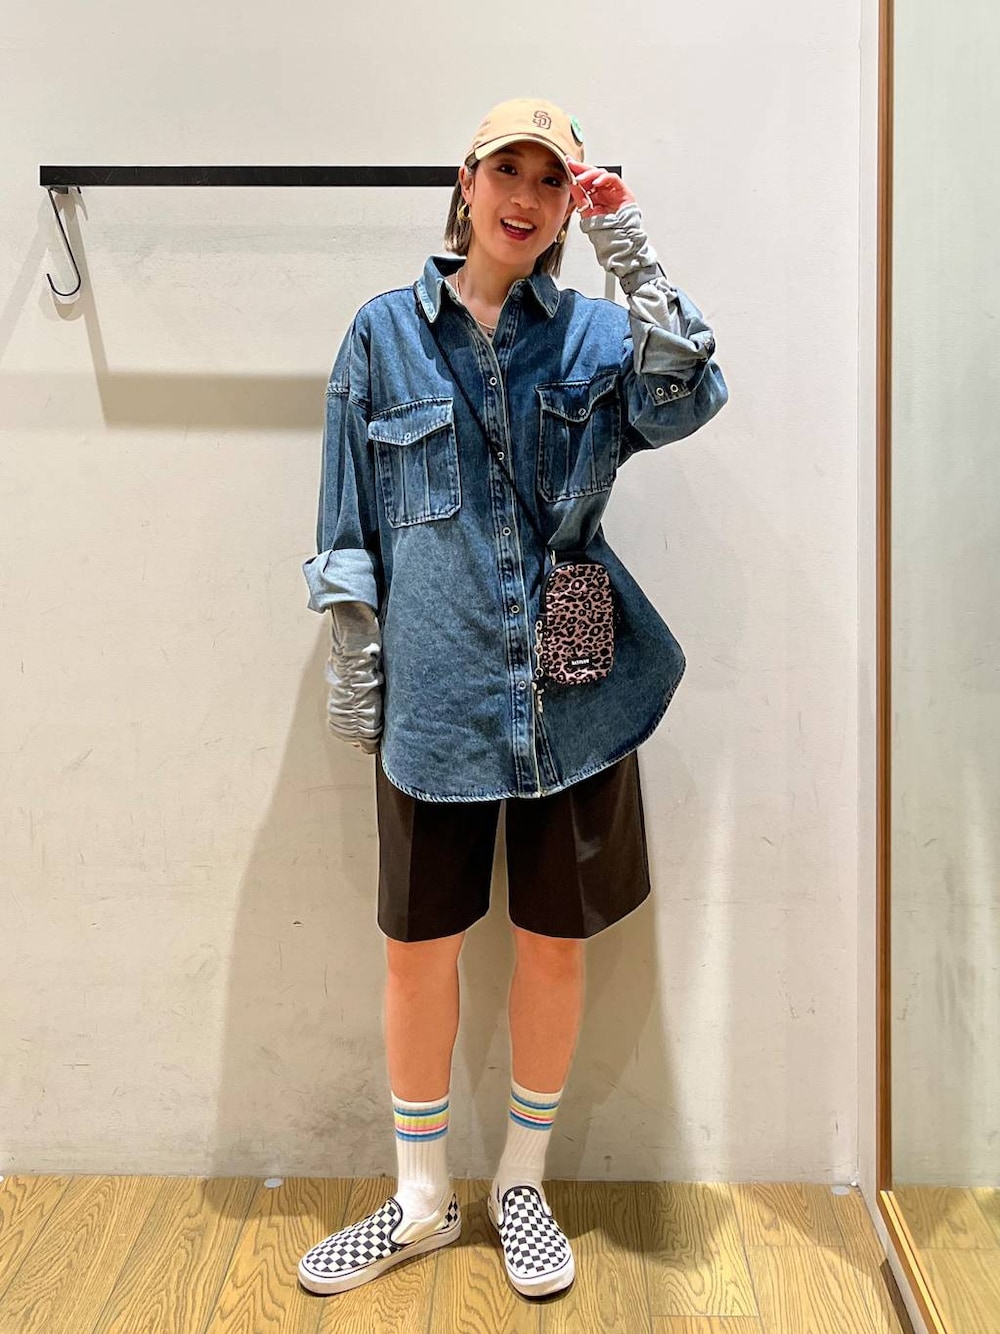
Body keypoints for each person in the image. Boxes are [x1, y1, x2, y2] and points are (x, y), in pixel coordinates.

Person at [298, 97, 728, 1301]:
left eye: (551, 179)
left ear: (568, 200)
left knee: (551, 939)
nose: (526, 198)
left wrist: (628, 245)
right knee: (416, 946)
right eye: (508, 171)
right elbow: (346, 525)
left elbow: (690, 392)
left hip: (573, 653)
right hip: (434, 672)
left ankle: (523, 1184)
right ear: (467, 180)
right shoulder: (383, 334)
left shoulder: (592, 334)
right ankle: (420, 1197)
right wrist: (357, 669)